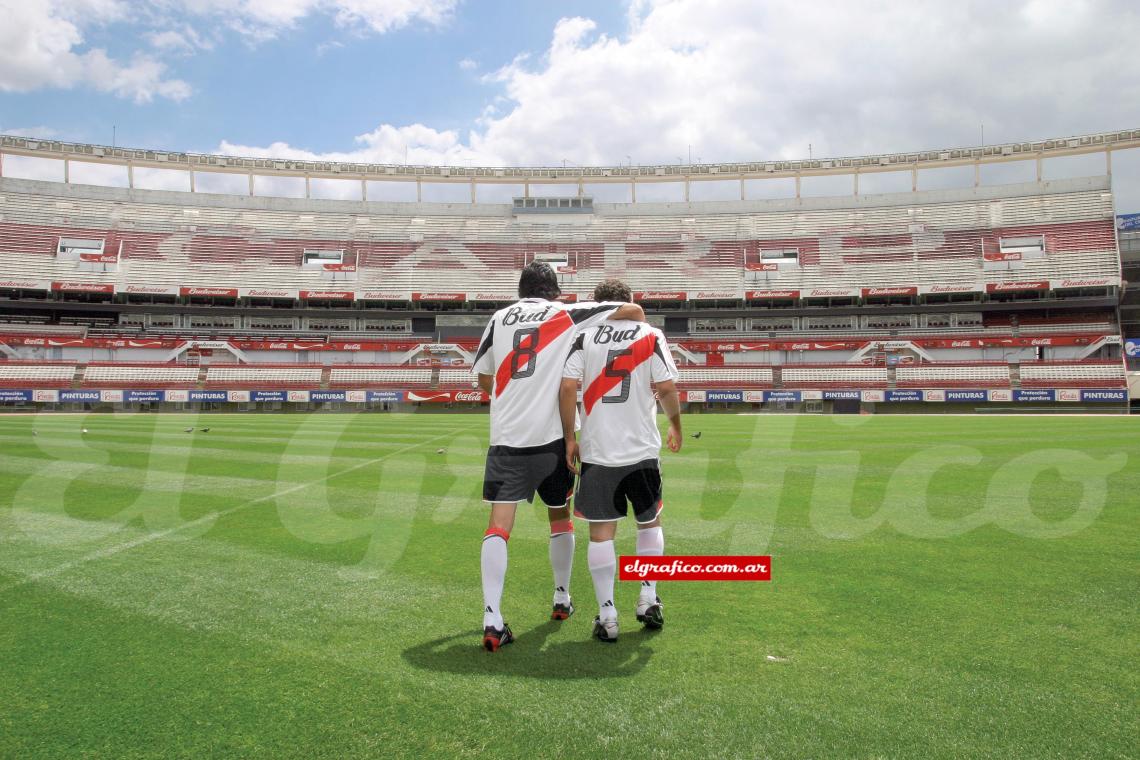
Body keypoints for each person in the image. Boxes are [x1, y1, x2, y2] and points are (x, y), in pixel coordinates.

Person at [473, 262, 645, 652]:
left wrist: (511, 392)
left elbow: (483, 377)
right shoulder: (567, 313)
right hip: (552, 439)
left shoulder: (498, 319)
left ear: (521, 290)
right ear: (555, 292)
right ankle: (561, 597)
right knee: (559, 517)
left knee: (498, 527)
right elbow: (632, 312)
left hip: (507, 438)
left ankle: (491, 618)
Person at [559, 278, 682, 643]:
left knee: (601, 534)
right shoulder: (650, 334)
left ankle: (608, 615)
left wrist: (570, 437)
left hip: (599, 452)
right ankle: (647, 598)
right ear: (629, 302)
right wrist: (675, 425)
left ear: (598, 305)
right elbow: (666, 387)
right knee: (649, 523)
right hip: (642, 450)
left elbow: (567, 386)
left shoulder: (583, 336)